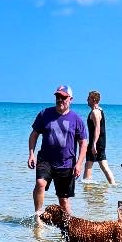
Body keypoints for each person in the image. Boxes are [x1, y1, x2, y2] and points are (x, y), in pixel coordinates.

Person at [28, 84, 87, 217]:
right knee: (40, 183)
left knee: (64, 201)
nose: (60, 99)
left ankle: (70, 228)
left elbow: (83, 143)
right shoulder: (44, 114)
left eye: (63, 97)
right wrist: (31, 154)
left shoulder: (76, 119)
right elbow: (34, 135)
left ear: (70, 99)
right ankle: (38, 215)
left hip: (66, 163)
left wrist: (79, 163)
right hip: (46, 160)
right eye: (58, 97)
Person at [83, 89, 114, 186]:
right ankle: (113, 185)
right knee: (102, 165)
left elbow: (97, 129)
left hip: (96, 143)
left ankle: (87, 186)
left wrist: (93, 145)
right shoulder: (99, 110)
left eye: (88, 98)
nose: (87, 100)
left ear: (93, 100)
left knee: (89, 164)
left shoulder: (95, 112)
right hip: (100, 142)